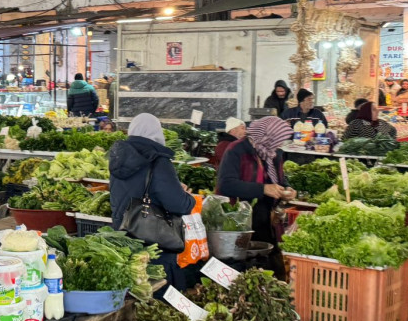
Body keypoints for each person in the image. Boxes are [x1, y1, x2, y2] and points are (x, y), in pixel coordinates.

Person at [109, 114, 197, 290]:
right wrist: (188, 196)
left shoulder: (118, 159)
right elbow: (179, 204)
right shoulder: (158, 161)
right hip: (154, 244)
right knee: (157, 294)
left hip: (124, 238)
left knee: (134, 292)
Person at [216, 116, 295, 273]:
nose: (278, 145)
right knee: (244, 267)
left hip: (267, 218)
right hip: (239, 219)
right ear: (265, 136)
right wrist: (263, 189)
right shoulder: (236, 150)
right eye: (276, 139)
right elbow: (226, 184)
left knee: (269, 265)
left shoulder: (273, 153)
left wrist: (287, 189)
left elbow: (278, 178)